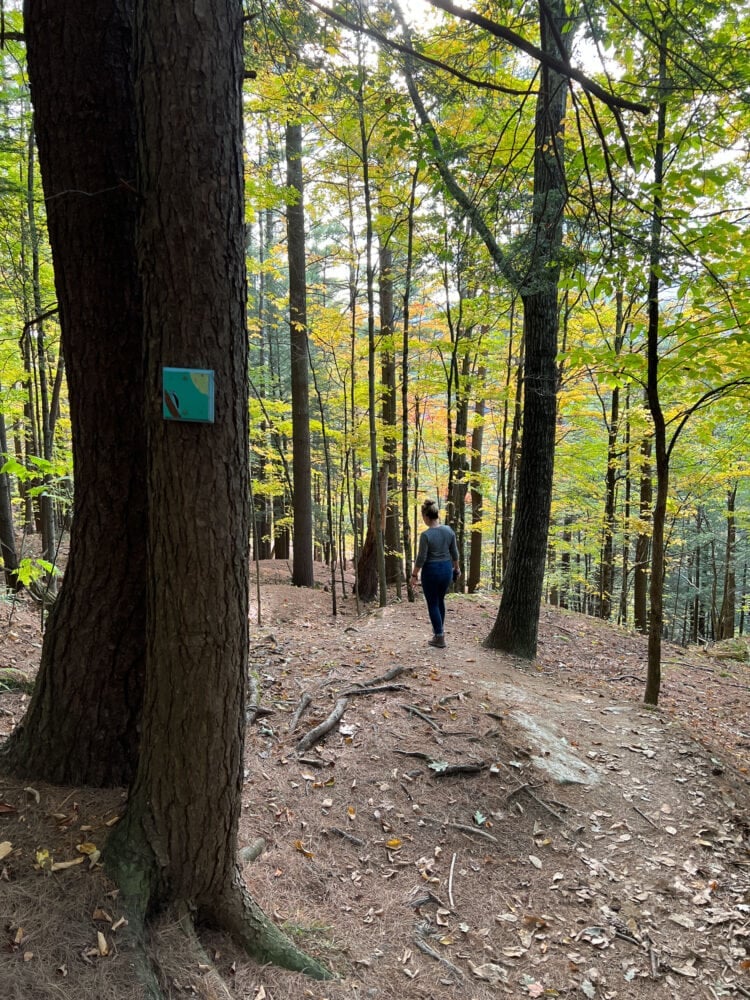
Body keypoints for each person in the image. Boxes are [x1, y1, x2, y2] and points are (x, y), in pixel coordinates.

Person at [410, 499, 460, 648]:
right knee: (440, 600)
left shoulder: (426, 535)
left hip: (431, 571)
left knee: (432, 603)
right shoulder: (449, 530)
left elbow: (421, 558)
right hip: (446, 569)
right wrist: (456, 568)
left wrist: (414, 575)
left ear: (426, 516)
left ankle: (439, 636)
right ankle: (439, 631)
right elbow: (454, 553)